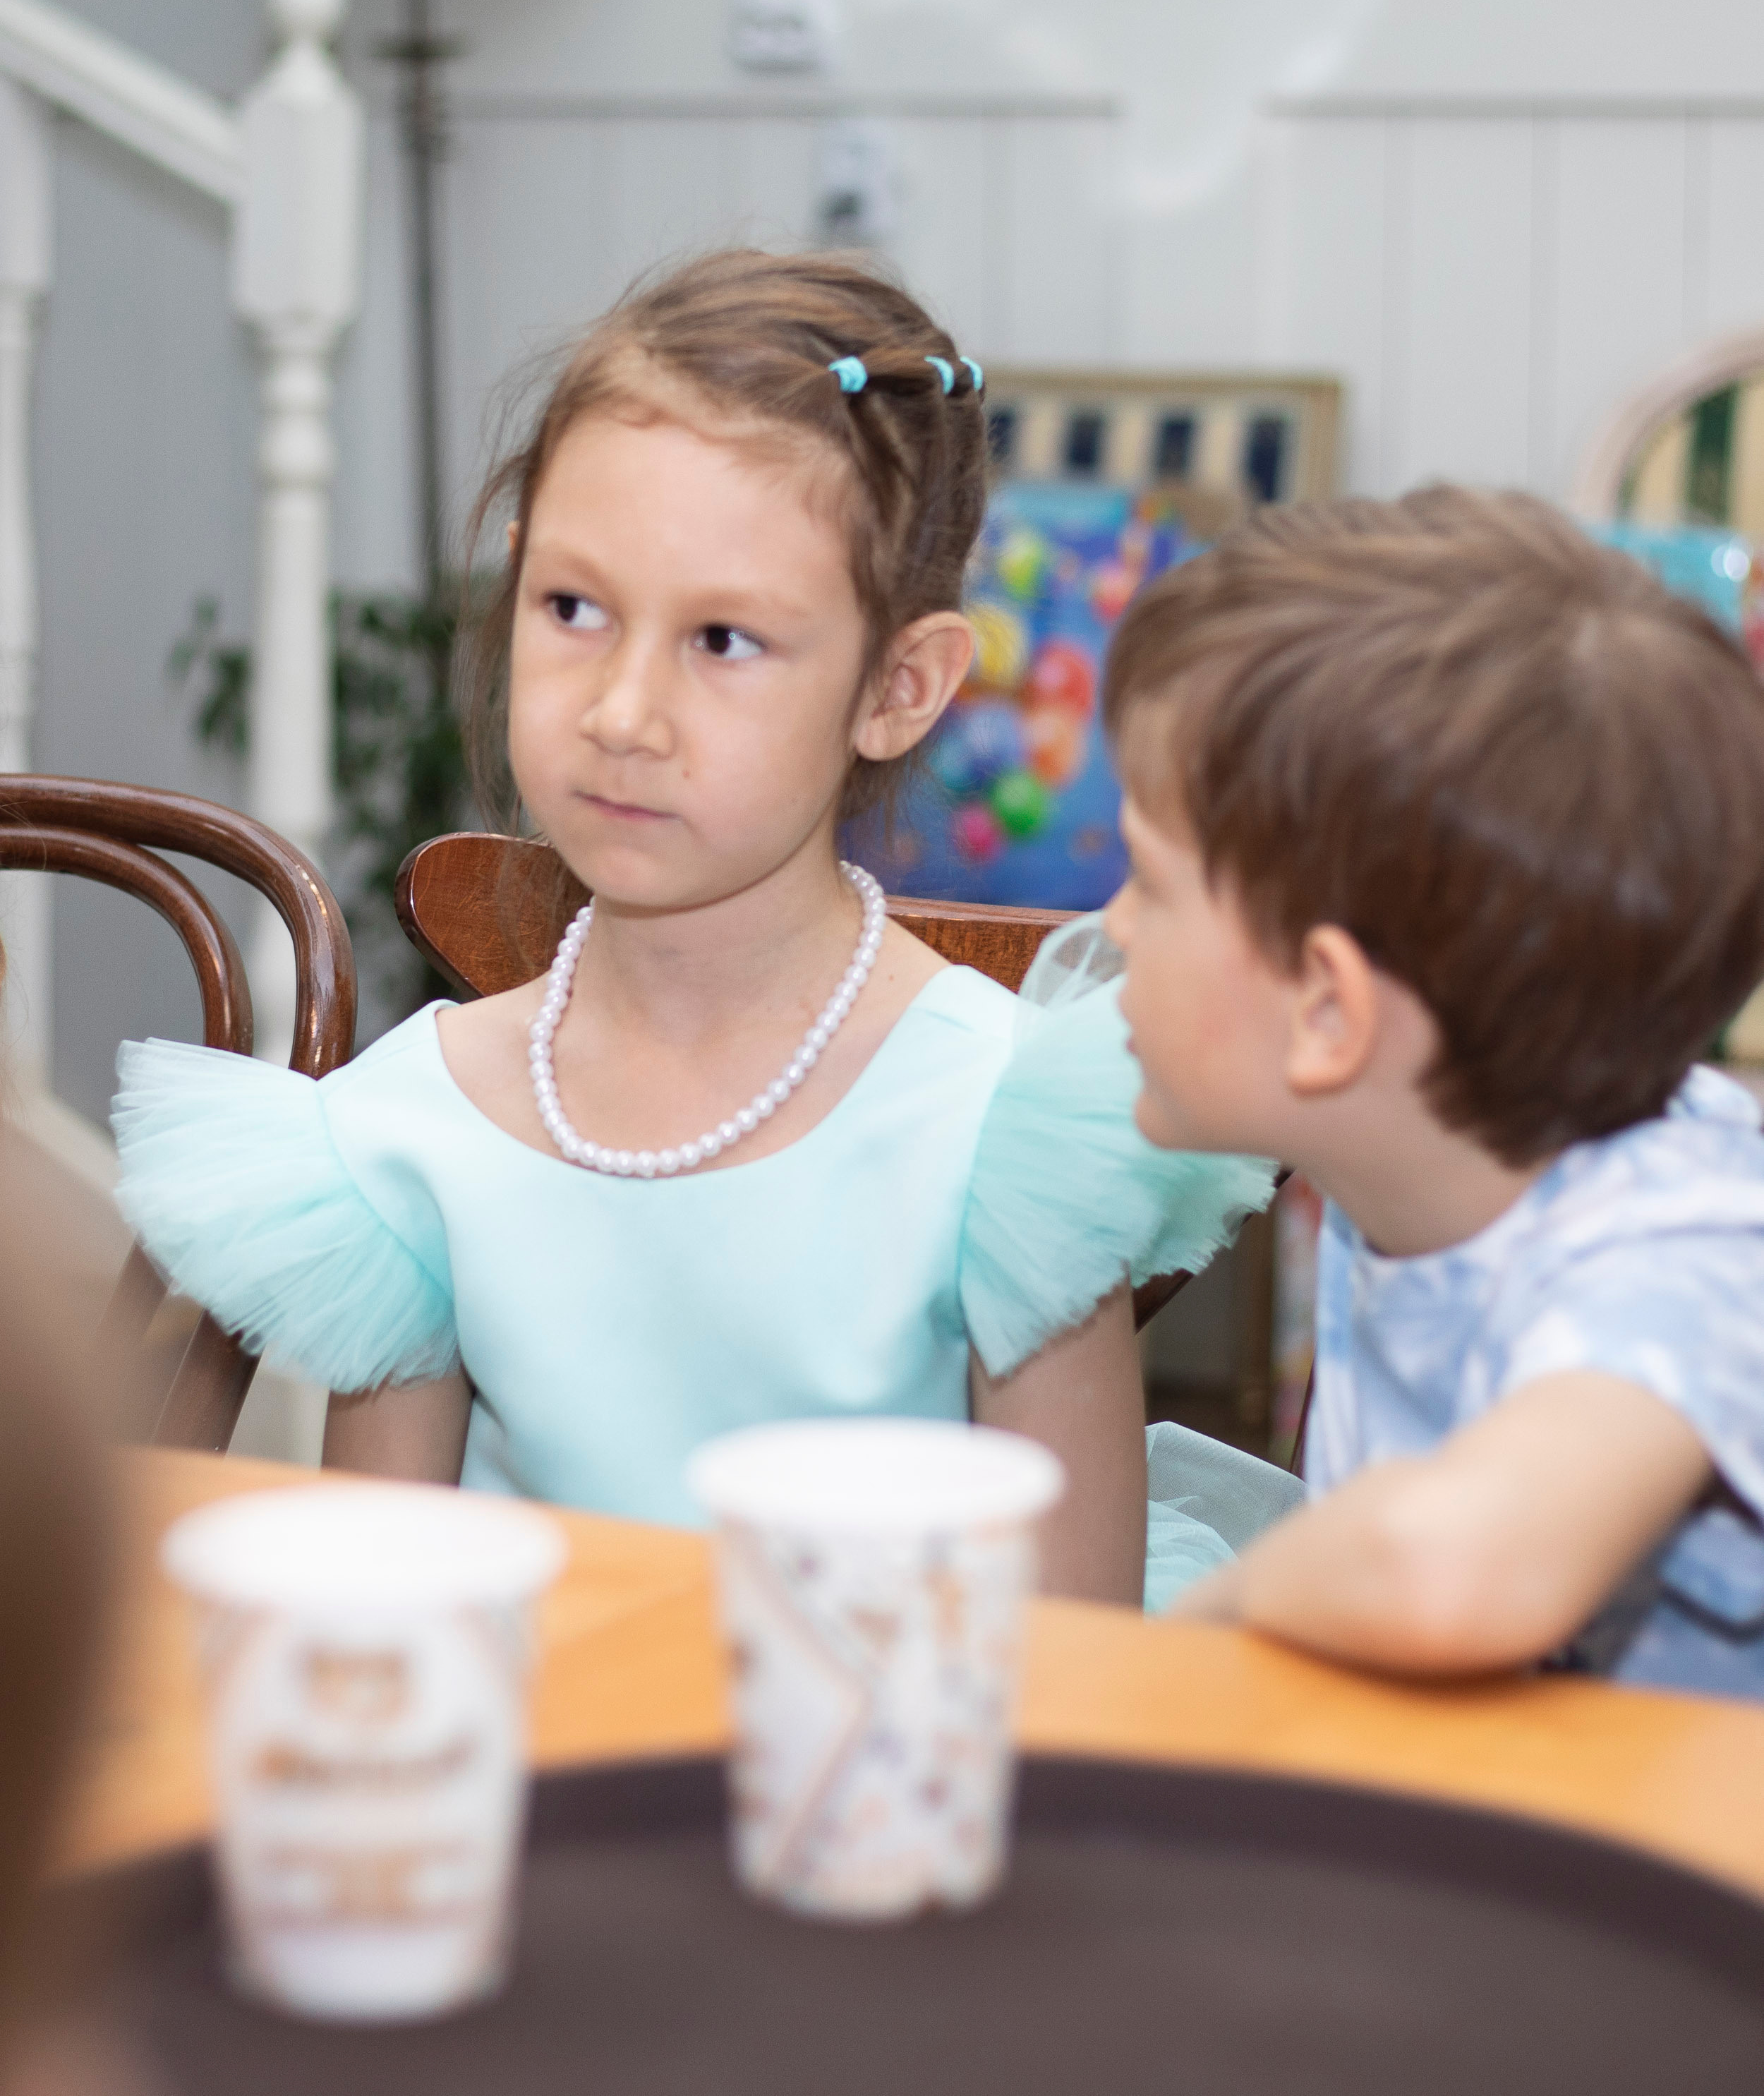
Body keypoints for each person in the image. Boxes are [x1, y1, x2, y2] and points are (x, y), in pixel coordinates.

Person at [112, 251, 1270, 1604]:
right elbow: (378, 1632)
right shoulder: (419, 1138)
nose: (620, 710)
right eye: (574, 608)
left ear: (899, 687)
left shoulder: (1009, 1135)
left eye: (722, 639)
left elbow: (1078, 1669)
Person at [1101, 484, 1764, 1691]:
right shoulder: (1412, 1160)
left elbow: (1449, 1573)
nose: (1110, 927)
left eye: (1148, 883)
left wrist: (1198, 1634)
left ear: (1330, 1011)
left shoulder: (1686, 1248)